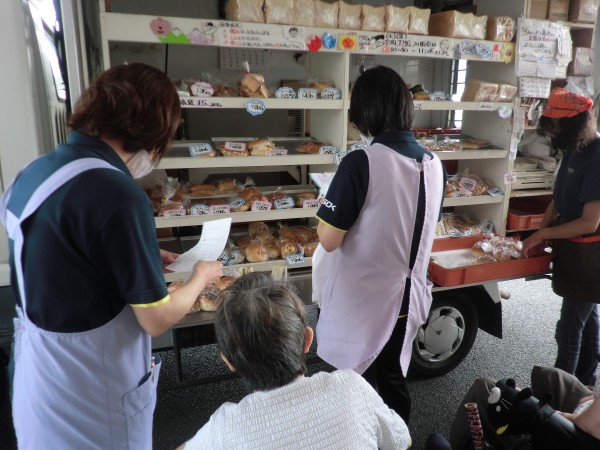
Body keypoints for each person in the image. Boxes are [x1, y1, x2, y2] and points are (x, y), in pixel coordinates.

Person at [0, 63, 223, 449]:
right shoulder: (117, 192)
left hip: (38, 376)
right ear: (152, 129)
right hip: (91, 389)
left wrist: (138, 254)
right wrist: (200, 277)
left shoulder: (35, 172)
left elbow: (62, 255)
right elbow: (156, 319)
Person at [312, 65, 446, 422]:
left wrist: (325, 204)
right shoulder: (436, 165)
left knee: (352, 385)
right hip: (408, 299)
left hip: (364, 303)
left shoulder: (361, 162)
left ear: (365, 111)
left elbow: (329, 239)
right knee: (392, 379)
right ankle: (397, 439)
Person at [179, 272, 412, 450]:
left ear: (228, 361)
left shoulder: (223, 429)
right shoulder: (352, 386)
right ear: (308, 340)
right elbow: (401, 439)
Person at [522, 88, 600, 387]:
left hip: (590, 256)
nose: (554, 133)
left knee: (568, 329)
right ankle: (585, 383)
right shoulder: (574, 148)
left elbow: (590, 222)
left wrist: (544, 232)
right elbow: (558, 199)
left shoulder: (597, 157)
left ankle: (559, 393)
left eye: (557, 127)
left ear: (576, 124)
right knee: (588, 319)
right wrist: (541, 232)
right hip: (574, 250)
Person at [449, 365, 600, 449]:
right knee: (548, 375)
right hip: (590, 406)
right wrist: (592, 397)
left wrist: (537, 408)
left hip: (585, 434)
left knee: (483, 387)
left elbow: (591, 426)